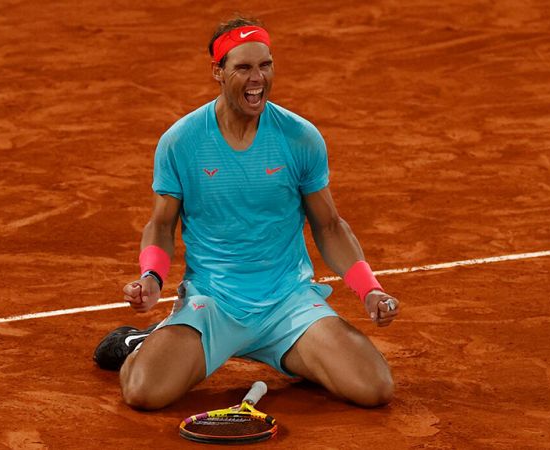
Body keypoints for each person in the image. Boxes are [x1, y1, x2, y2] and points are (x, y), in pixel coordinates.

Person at [94, 16, 400, 410]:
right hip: (214, 304)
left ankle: (277, 349)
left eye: (265, 65)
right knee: (142, 392)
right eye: (243, 67)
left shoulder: (300, 137)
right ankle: (144, 340)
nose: (258, 78)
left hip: (287, 304)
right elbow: (161, 224)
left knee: (374, 387)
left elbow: (329, 225)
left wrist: (369, 288)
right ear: (217, 72)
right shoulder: (181, 141)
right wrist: (151, 276)